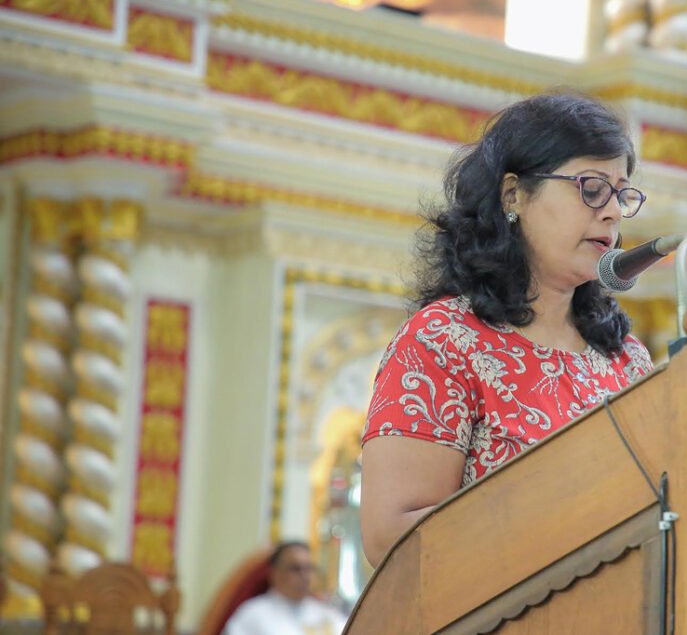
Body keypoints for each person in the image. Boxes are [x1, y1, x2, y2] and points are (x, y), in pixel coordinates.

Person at [359, 92, 656, 567]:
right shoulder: (445, 340)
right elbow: (391, 538)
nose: (613, 212)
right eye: (592, 188)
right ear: (513, 194)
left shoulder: (627, 359)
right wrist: (558, 512)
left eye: (621, 194)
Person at [222, 541, 346, 635]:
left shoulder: (325, 613)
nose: (305, 577)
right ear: (275, 573)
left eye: (308, 568)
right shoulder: (253, 614)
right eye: (296, 569)